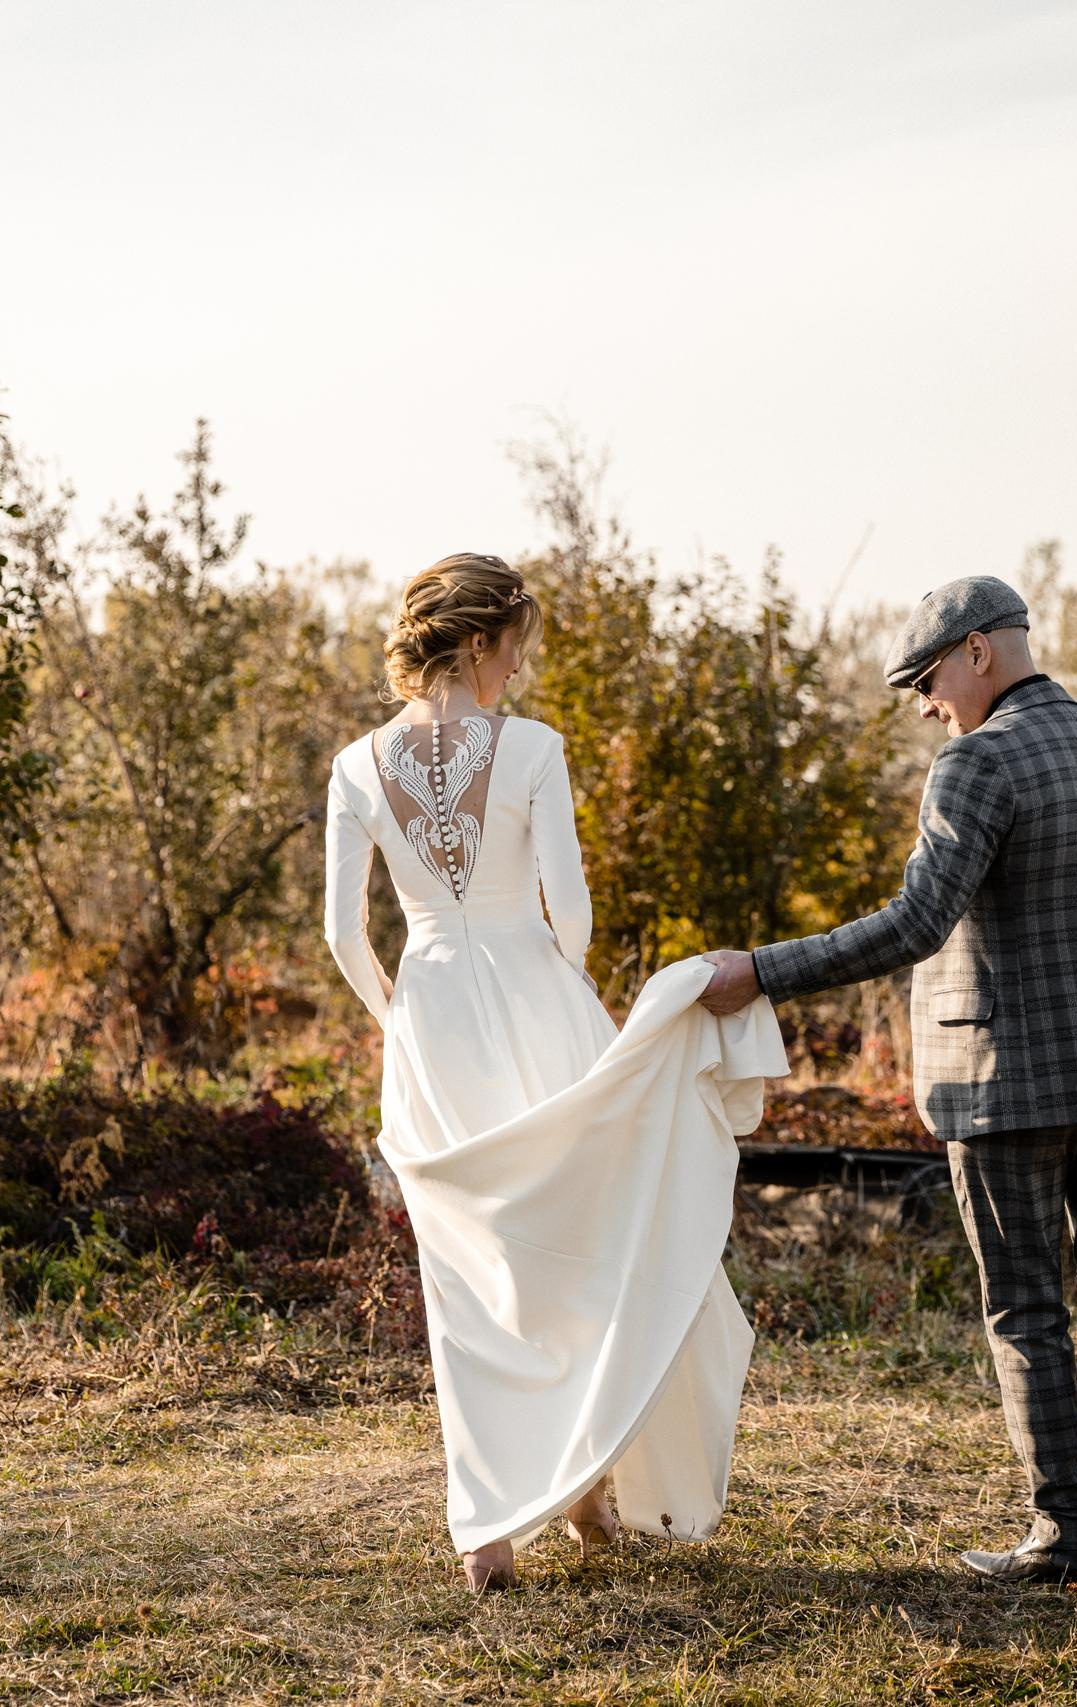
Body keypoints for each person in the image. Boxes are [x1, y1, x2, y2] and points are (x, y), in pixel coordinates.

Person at [696, 574, 1077, 1615]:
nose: (925, 702)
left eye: (929, 677)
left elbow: (914, 924)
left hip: (1001, 1086)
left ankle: (1067, 1537)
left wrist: (759, 970)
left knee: (1027, 1309)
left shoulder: (973, 765)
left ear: (980, 650)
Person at [322, 552, 784, 1593]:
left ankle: (489, 1530)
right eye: (518, 644)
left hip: (430, 1013)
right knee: (582, 1234)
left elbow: (342, 936)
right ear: (482, 639)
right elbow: (565, 911)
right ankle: (582, 1498)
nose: (521, 668)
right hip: (535, 994)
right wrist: (559, 988)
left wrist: (398, 1016)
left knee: (470, 1267)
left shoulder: (358, 766)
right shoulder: (530, 748)